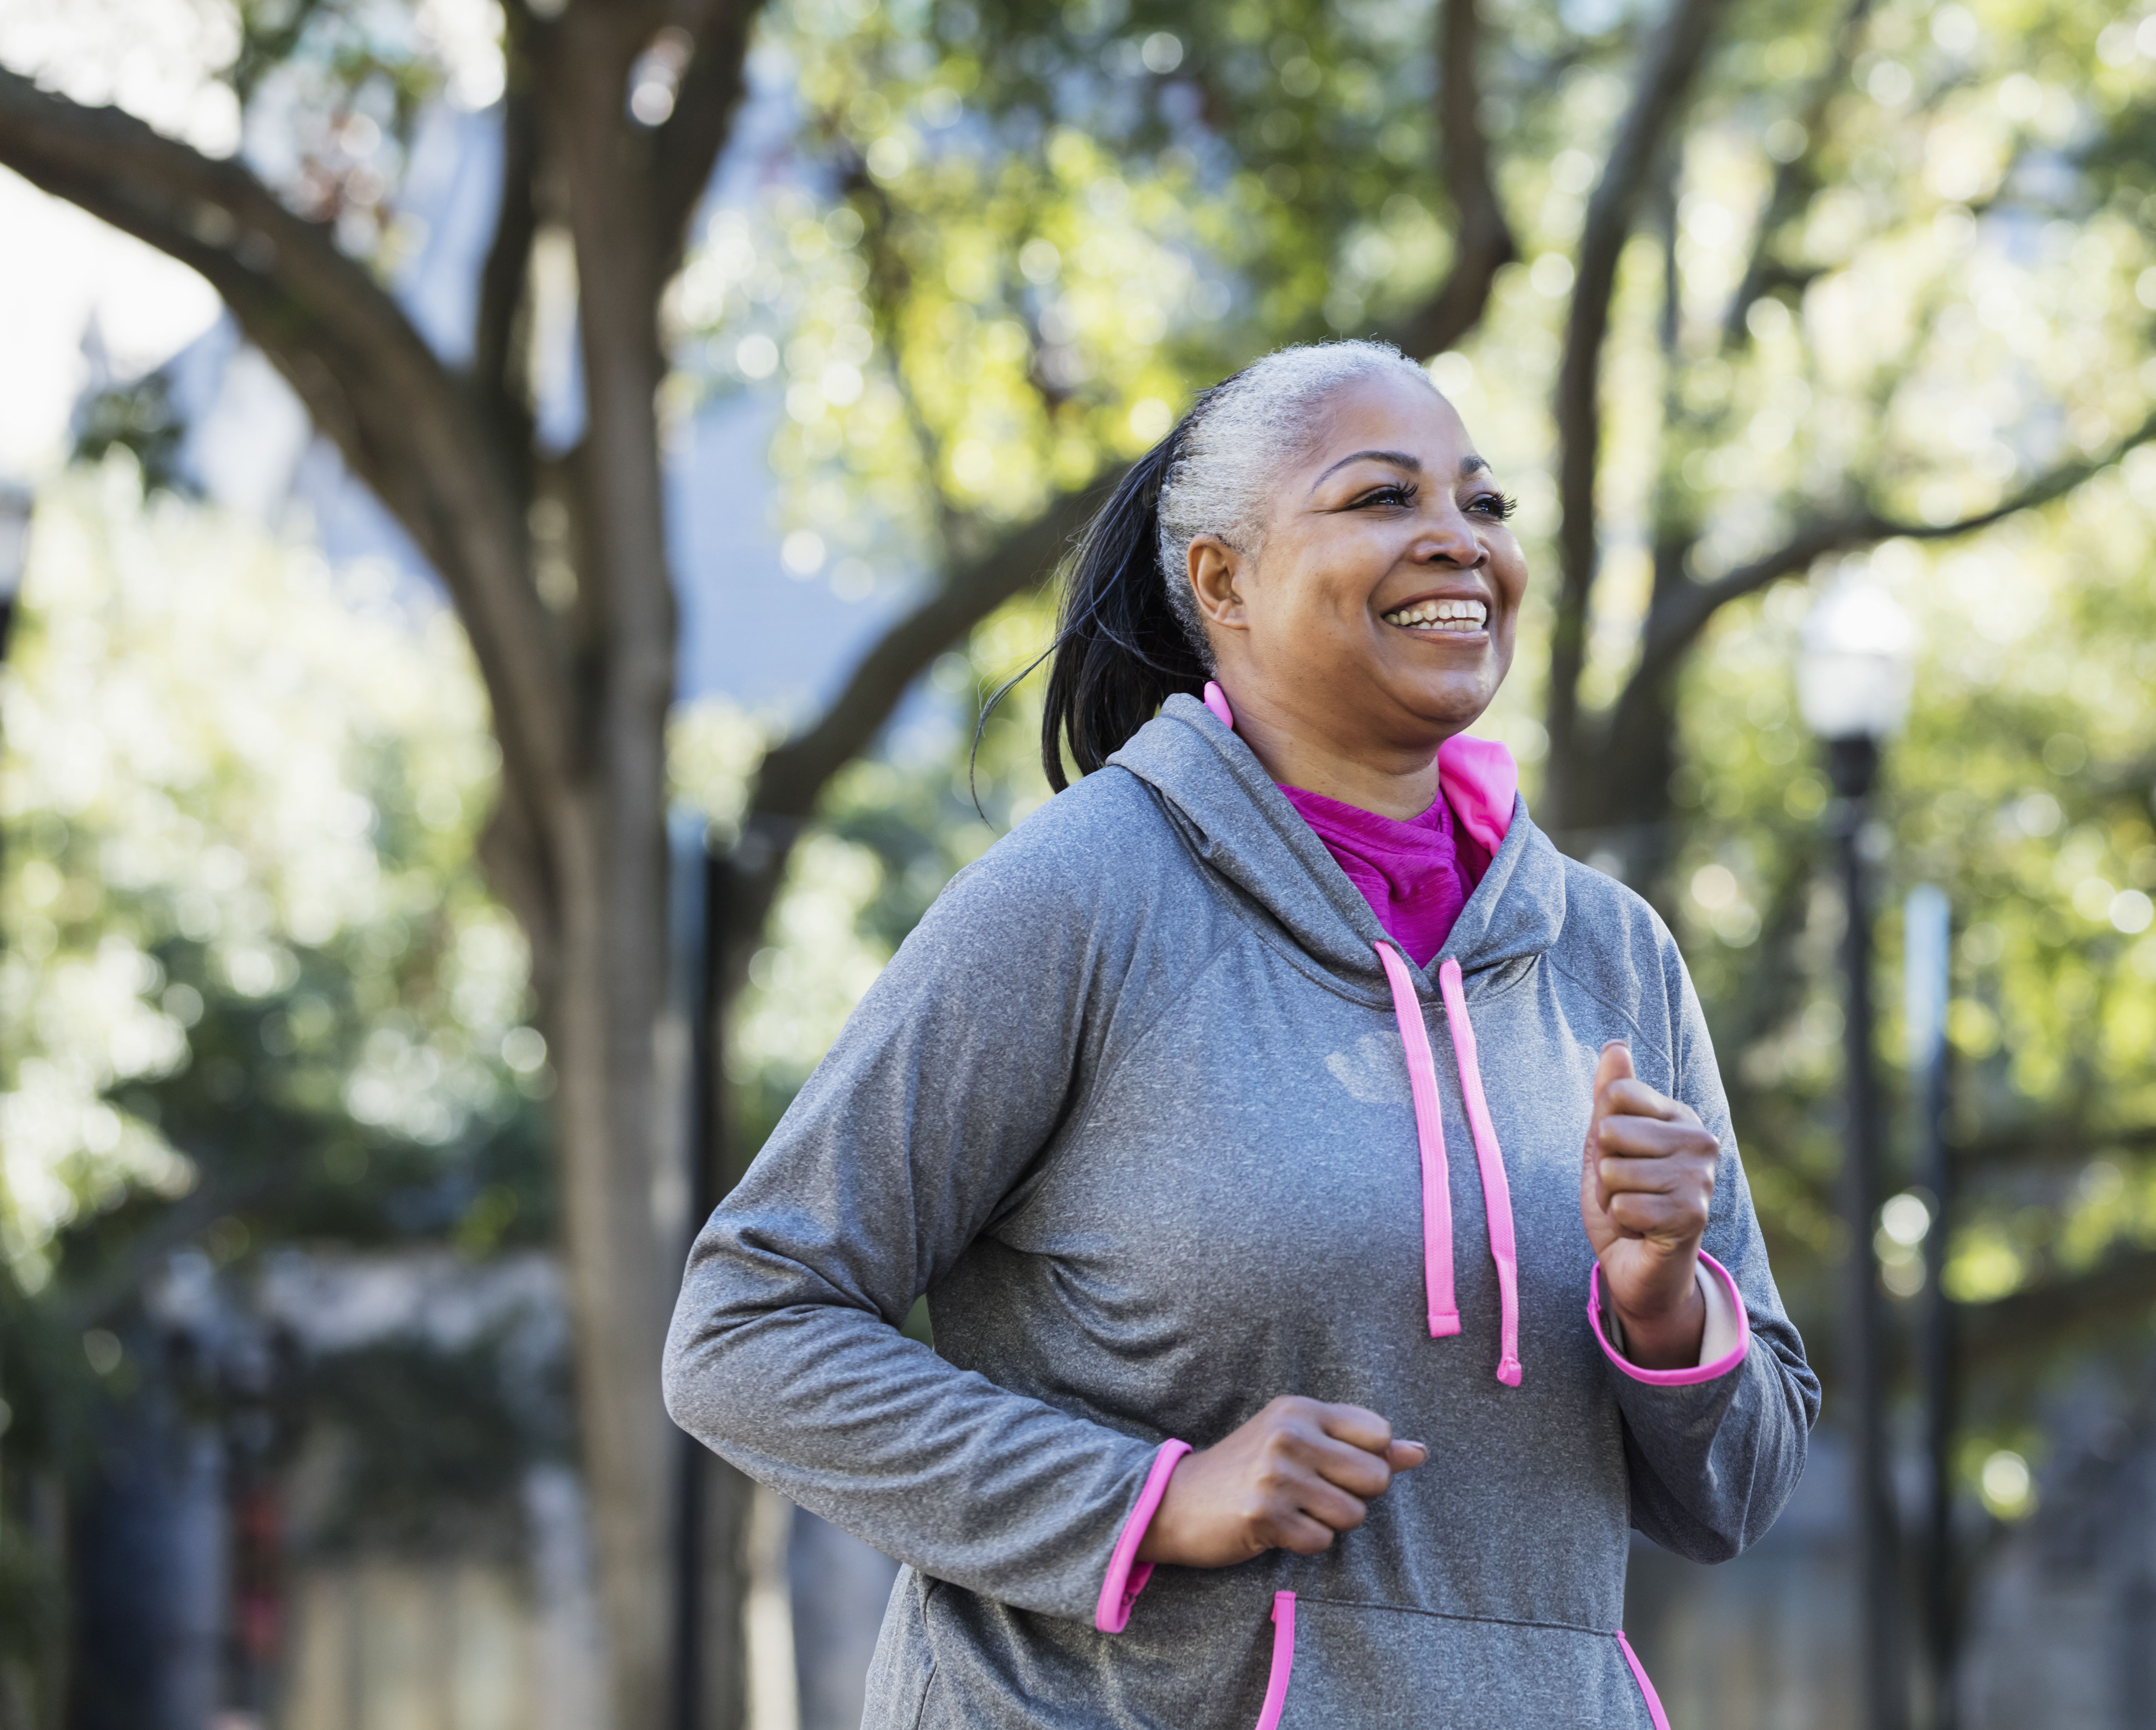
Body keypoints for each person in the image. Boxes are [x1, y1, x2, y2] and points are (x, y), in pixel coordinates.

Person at [665, 340, 1819, 1727]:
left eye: (1484, 506)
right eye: (1383, 499)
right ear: (1222, 582)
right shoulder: (1087, 894)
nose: (1456, 542)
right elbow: (746, 1324)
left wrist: (1661, 1306)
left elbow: (1737, 1490)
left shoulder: (1607, 952)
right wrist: (1147, 1499)